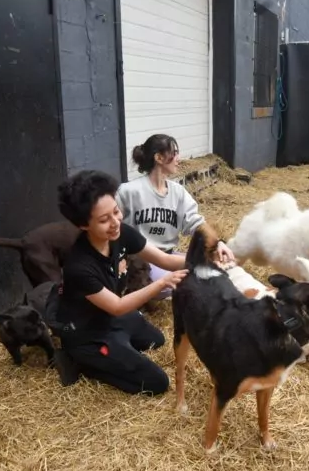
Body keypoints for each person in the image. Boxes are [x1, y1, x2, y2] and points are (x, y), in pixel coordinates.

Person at [53, 170, 188, 395]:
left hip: (109, 317)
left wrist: (207, 257)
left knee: (156, 340)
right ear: (83, 225)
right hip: (88, 335)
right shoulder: (79, 266)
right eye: (104, 220)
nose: (115, 222)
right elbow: (117, 306)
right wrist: (161, 282)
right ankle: (82, 363)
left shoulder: (120, 233)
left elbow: (164, 259)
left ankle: (118, 350)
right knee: (157, 383)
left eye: (116, 211)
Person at [116, 133, 235, 299]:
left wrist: (217, 244)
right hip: (142, 262)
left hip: (169, 256)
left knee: (214, 269)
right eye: (174, 152)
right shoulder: (129, 191)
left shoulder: (178, 192)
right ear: (158, 157)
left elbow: (195, 222)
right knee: (181, 283)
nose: (179, 158)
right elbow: (113, 227)